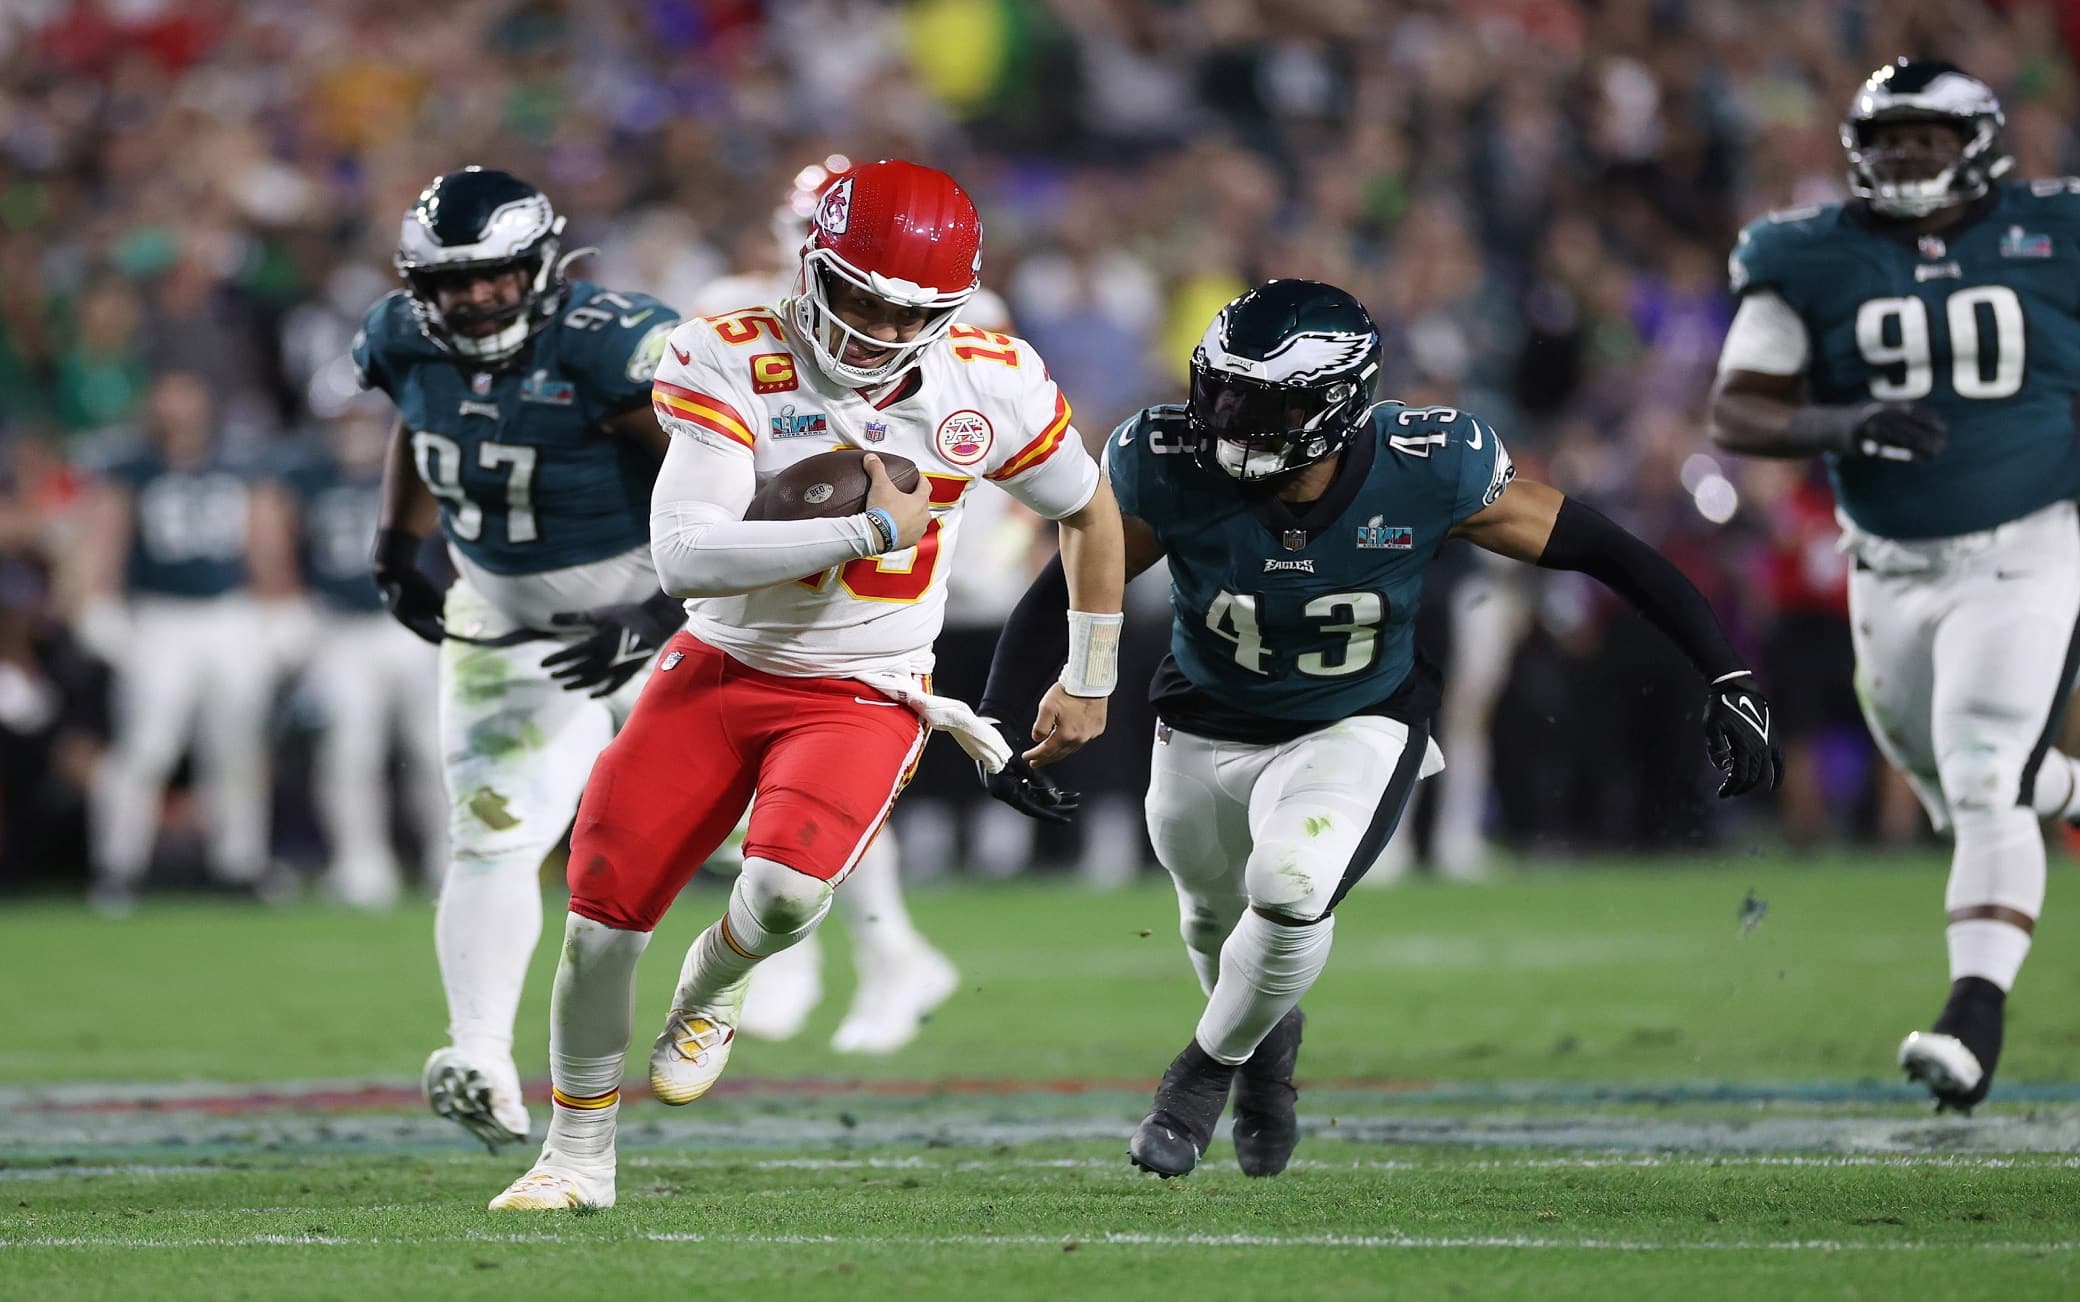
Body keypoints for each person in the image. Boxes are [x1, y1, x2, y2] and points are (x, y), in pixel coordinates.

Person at [980, 279, 1781, 1178]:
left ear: (1336, 403)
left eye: (1261, 402)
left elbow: (1605, 549)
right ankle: (1268, 1059)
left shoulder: (1428, 462)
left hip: (1353, 723)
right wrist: (1000, 718)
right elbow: (1062, 590)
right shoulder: (1166, 460)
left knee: (1288, 887)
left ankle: (1198, 1079)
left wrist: (1727, 670)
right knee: (1212, 920)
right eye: (1220, 390)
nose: (1228, 419)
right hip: (1200, 726)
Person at [488, 158, 1125, 1211]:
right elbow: (686, 555)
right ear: (810, 267)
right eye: (855, 294)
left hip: (865, 684)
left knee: (782, 897)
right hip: (718, 663)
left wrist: (1090, 674)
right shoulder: (728, 348)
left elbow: (1088, 510)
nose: (873, 327)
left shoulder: (990, 377)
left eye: (900, 308)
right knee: (599, 922)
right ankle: (575, 1158)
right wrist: (873, 529)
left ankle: (714, 986)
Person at [1711, 59, 2080, 1113]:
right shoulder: (1809, 254)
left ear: (1980, 143)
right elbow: (1736, 410)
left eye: (1927, 136)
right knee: (1957, 788)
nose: (1905, 156)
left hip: (2023, 551)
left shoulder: (2055, 233)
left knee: (1977, 775)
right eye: (1888, 138)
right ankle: (2065, 788)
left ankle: (1973, 1020)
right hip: (1884, 570)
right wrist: (1838, 423)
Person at [355, 166, 683, 1150]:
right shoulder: (400, 336)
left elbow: (725, 480)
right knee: (493, 831)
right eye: (451, 282)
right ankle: (480, 1056)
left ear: (541, 266)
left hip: (650, 608)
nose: (473, 297)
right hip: (505, 616)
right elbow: (419, 426)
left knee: (743, 834)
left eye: (495, 275)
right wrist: (396, 545)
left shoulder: (612, 346)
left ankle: (771, 983)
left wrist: (661, 607)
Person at [683, 155, 1007, 1056]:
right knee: (759, 780)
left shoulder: (959, 326)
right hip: (763, 562)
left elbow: (990, 439)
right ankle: (862, 952)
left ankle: (838, 956)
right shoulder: (732, 317)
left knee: (824, 772)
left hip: (888, 571)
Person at [70, 371, 300, 910]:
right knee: (148, 744)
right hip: (160, 615)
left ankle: (239, 861)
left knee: (238, 743)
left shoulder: (239, 463)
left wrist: (282, 603)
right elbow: (105, 536)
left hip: (229, 614)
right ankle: (118, 865)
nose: (177, 410)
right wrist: (96, 602)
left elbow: (265, 540)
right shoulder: (132, 466)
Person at [269, 395, 444, 908]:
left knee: (433, 750)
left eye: (361, 420)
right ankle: (360, 862)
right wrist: (289, 603)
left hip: (409, 627)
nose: (353, 432)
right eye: (343, 421)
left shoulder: (421, 465)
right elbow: (279, 538)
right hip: (340, 630)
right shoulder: (306, 478)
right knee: (350, 749)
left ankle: (447, 859)